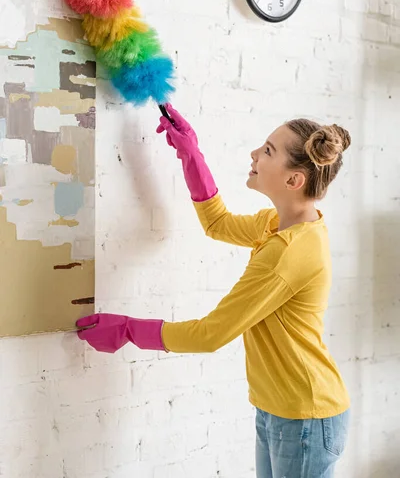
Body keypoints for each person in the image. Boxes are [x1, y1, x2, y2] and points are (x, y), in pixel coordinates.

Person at [77, 103, 351, 478]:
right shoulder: (280, 224)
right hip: (281, 409)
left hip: (304, 417)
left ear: (294, 181)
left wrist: (128, 329)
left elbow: (211, 334)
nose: (254, 154)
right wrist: (191, 154)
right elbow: (219, 224)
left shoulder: (287, 252)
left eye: (268, 151)